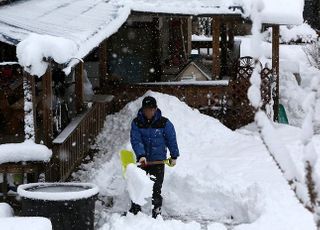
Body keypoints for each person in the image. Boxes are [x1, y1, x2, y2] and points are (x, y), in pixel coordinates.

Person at [129, 96, 180, 218]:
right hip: (143, 162)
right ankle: (135, 212)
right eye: (146, 110)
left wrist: (174, 155)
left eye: (151, 110)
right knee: (138, 186)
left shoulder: (164, 123)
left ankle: (156, 212)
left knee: (156, 188)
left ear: (156, 109)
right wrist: (141, 155)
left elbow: (171, 139)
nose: (149, 112)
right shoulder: (137, 123)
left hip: (158, 161)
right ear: (143, 109)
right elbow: (136, 140)